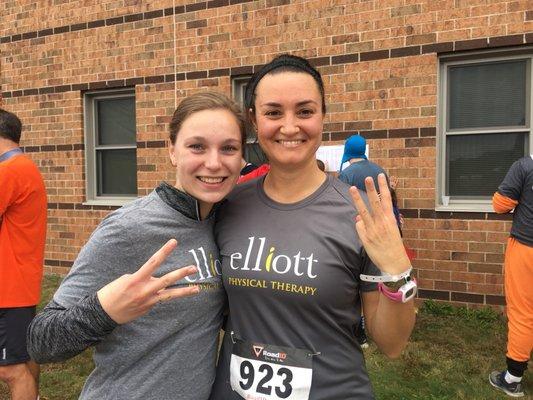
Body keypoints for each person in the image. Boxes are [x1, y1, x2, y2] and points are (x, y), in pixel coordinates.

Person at [209, 54, 416, 400]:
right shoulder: (226, 206)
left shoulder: (358, 214)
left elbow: (392, 345)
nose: (289, 127)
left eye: (304, 111)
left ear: (322, 115)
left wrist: (398, 270)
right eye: (273, 112)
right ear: (253, 120)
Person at [27, 92, 246, 400]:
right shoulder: (129, 228)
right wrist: (104, 311)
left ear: (241, 158)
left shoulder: (225, 223)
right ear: (172, 150)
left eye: (228, 148)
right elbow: (41, 341)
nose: (214, 162)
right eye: (197, 146)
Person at [0, 109, 47, 400]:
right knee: (25, 355)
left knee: (10, 369)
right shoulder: (23, 166)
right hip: (19, 283)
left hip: (8, 287)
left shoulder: (9, 171)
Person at [489, 155, 533, 398]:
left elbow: (500, 204)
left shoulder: (525, 166)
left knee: (523, 312)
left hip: (527, 248)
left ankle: (512, 379)